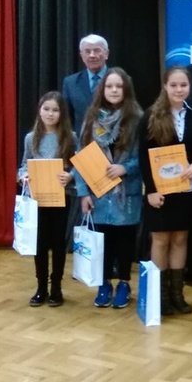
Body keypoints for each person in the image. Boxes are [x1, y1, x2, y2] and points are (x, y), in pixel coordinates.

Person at [75, 67, 143, 309]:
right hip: (99, 193)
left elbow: (143, 155)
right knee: (103, 241)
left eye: (119, 86)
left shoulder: (136, 117)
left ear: (126, 89)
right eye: (109, 86)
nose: (114, 90)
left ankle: (124, 283)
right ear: (102, 89)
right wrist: (83, 192)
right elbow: (80, 157)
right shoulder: (92, 117)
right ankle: (104, 284)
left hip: (127, 193)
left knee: (125, 241)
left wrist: (126, 168)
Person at [137, 66, 192, 315]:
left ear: (189, 87)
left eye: (183, 85)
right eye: (173, 85)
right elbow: (143, 157)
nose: (178, 89)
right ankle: (160, 295)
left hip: (186, 190)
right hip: (160, 192)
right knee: (161, 240)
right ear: (165, 86)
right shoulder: (151, 116)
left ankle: (177, 294)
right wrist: (151, 191)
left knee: (180, 239)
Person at [18, 91, 77, 307]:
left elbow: (79, 166)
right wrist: (23, 176)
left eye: (55, 110)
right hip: (38, 198)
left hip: (61, 197)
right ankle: (41, 287)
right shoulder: (30, 138)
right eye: (46, 109)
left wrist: (70, 175)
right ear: (39, 111)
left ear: (62, 113)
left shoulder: (71, 137)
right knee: (40, 243)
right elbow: (24, 165)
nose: (50, 114)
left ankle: (56, 287)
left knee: (58, 243)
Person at [62, 34, 110, 134]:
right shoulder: (70, 83)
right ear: (82, 56)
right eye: (87, 51)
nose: (92, 55)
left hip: (114, 141)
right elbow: (66, 118)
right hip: (82, 141)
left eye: (97, 50)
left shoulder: (120, 81)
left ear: (106, 54)